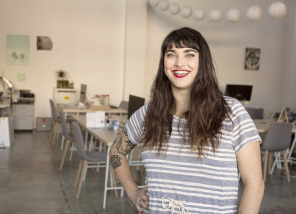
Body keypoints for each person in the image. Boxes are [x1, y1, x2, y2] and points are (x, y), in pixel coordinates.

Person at [109, 27, 264, 214]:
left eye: (189, 54)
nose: (179, 63)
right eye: (171, 54)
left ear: (202, 61)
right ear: (163, 62)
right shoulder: (148, 114)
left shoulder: (232, 113)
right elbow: (116, 151)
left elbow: (254, 185)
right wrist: (133, 192)